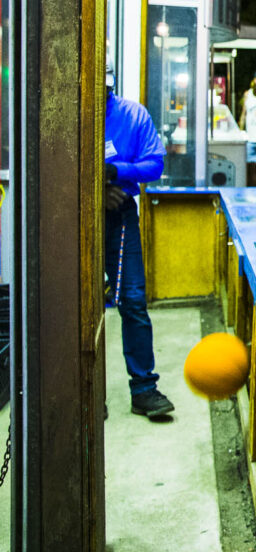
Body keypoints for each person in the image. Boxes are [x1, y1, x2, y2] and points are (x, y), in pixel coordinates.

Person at [105, 76, 175, 418]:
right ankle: (83, 394)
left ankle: (144, 389)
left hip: (119, 215)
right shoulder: (69, 112)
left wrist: (114, 172)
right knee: (74, 306)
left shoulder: (133, 114)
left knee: (132, 300)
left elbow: (154, 165)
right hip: (73, 216)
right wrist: (96, 190)